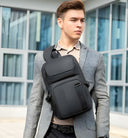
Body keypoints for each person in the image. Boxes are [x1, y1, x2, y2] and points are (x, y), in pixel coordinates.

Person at [23, 0, 110, 138]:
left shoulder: (96, 58)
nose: (79, 25)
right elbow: (35, 100)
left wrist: (103, 135)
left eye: (82, 20)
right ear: (60, 22)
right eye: (74, 20)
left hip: (83, 133)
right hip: (50, 131)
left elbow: (102, 99)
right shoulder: (42, 58)